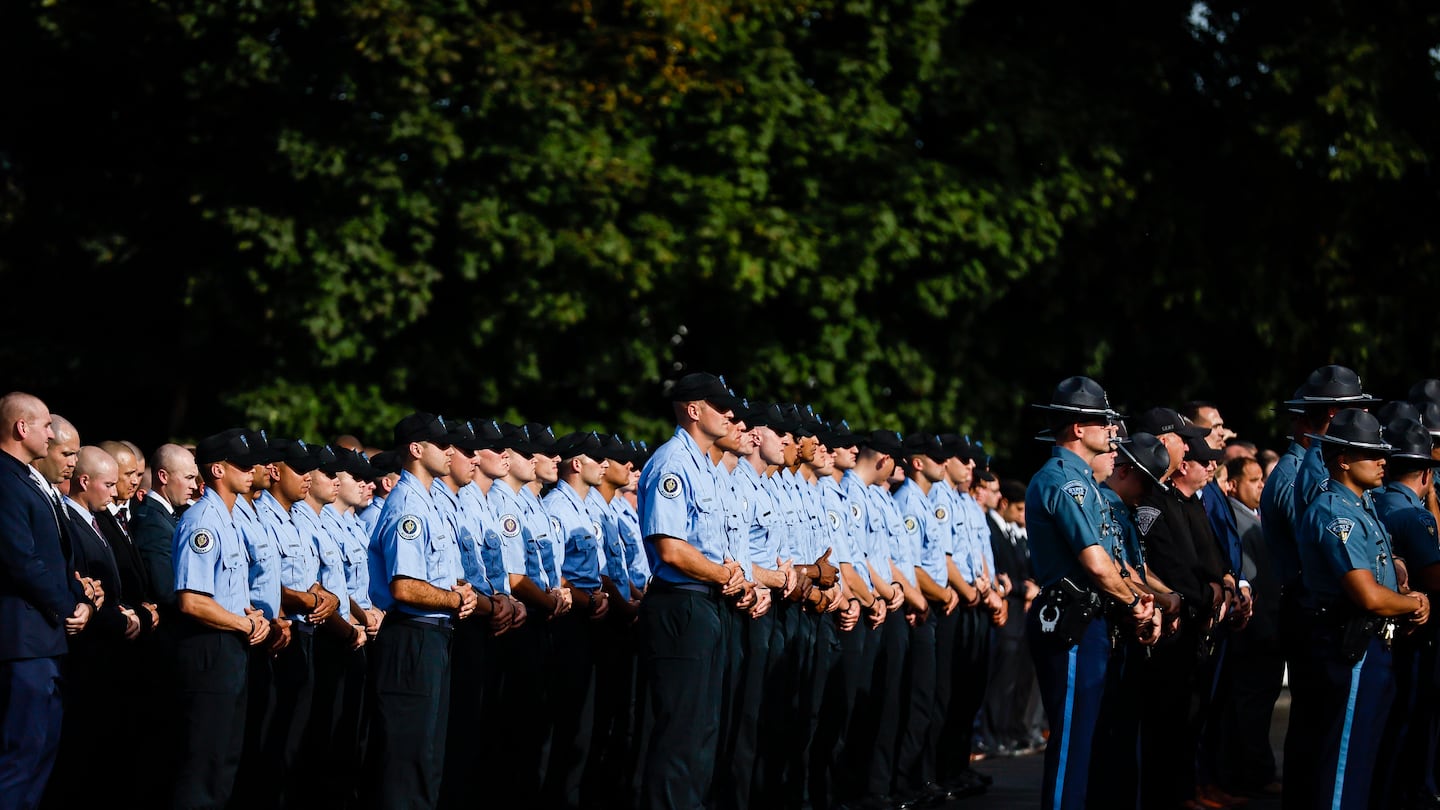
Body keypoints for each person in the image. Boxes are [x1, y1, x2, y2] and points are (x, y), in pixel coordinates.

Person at [1025, 377, 1153, 810]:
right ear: (1078, 428)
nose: (1111, 430)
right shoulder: (1066, 481)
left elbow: (1116, 563)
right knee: (1072, 748)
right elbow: (1098, 565)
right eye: (1103, 421)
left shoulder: (1085, 483)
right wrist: (1136, 603)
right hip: (1072, 622)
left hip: (1092, 620)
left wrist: (1142, 597)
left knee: (1092, 743)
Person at [1294, 409, 1427, 809]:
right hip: (1350, 645)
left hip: (1373, 648)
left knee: (1362, 765)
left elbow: (1381, 567)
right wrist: (1413, 603)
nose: (1383, 460)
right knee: (1342, 767)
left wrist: (1398, 572)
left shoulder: (1362, 504)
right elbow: (1366, 595)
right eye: (1371, 453)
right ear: (1344, 459)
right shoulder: (1336, 510)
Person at [636, 373, 747, 809]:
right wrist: (724, 575)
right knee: (680, 732)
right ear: (694, 410)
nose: (732, 414)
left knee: (702, 730)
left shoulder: (706, 467)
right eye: (721, 406)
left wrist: (729, 575)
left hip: (705, 604)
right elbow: (671, 549)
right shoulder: (672, 463)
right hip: (680, 605)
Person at [363, 413, 479, 810]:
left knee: (428, 756)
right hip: (411, 636)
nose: (451, 452)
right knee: (407, 758)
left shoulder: (429, 500)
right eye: (441, 445)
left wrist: (459, 592)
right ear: (416, 449)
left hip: (432, 636)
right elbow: (405, 585)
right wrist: (454, 600)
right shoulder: (408, 505)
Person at [0, 392, 92, 810]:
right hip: (23, 644)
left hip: (45, 641)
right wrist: (68, 605)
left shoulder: (25, 480)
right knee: (20, 758)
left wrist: (80, 596)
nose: (51, 433)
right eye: (45, 427)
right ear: (23, 428)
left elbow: (57, 561)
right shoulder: (5, 479)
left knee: (40, 757)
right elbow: (21, 559)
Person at [171, 428, 270, 809]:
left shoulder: (228, 519)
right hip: (208, 652)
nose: (252, 471)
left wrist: (252, 616)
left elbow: (225, 592)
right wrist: (243, 624)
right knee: (203, 766)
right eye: (242, 465)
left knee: (225, 762)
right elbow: (192, 600)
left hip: (231, 648)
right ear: (216, 470)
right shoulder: (203, 521)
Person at [1370, 417, 1440, 809]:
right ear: (1426, 475)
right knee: (1414, 720)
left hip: (1386, 633)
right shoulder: (1416, 516)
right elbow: (1435, 577)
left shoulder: (1373, 500)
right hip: (1417, 630)